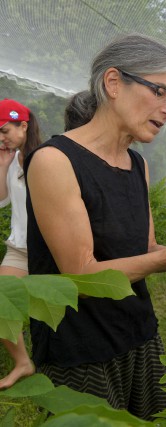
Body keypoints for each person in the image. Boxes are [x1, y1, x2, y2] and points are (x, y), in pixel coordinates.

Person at [24, 33, 166, 420]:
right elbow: (82, 277)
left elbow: (148, 250)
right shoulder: (54, 161)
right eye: (161, 93)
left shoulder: (136, 164)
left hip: (138, 334)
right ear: (114, 83)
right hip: (79, 350)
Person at [0, 99, 40, 389]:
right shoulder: (10, 160)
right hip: (19, 248)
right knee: (1, 305)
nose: (1, 138)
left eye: (4, 131)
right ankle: (23, 363)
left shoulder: (48, 156)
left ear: (23, 126)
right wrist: (3, 165)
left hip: (49, 248)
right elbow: (1, 200)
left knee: (57, 307)